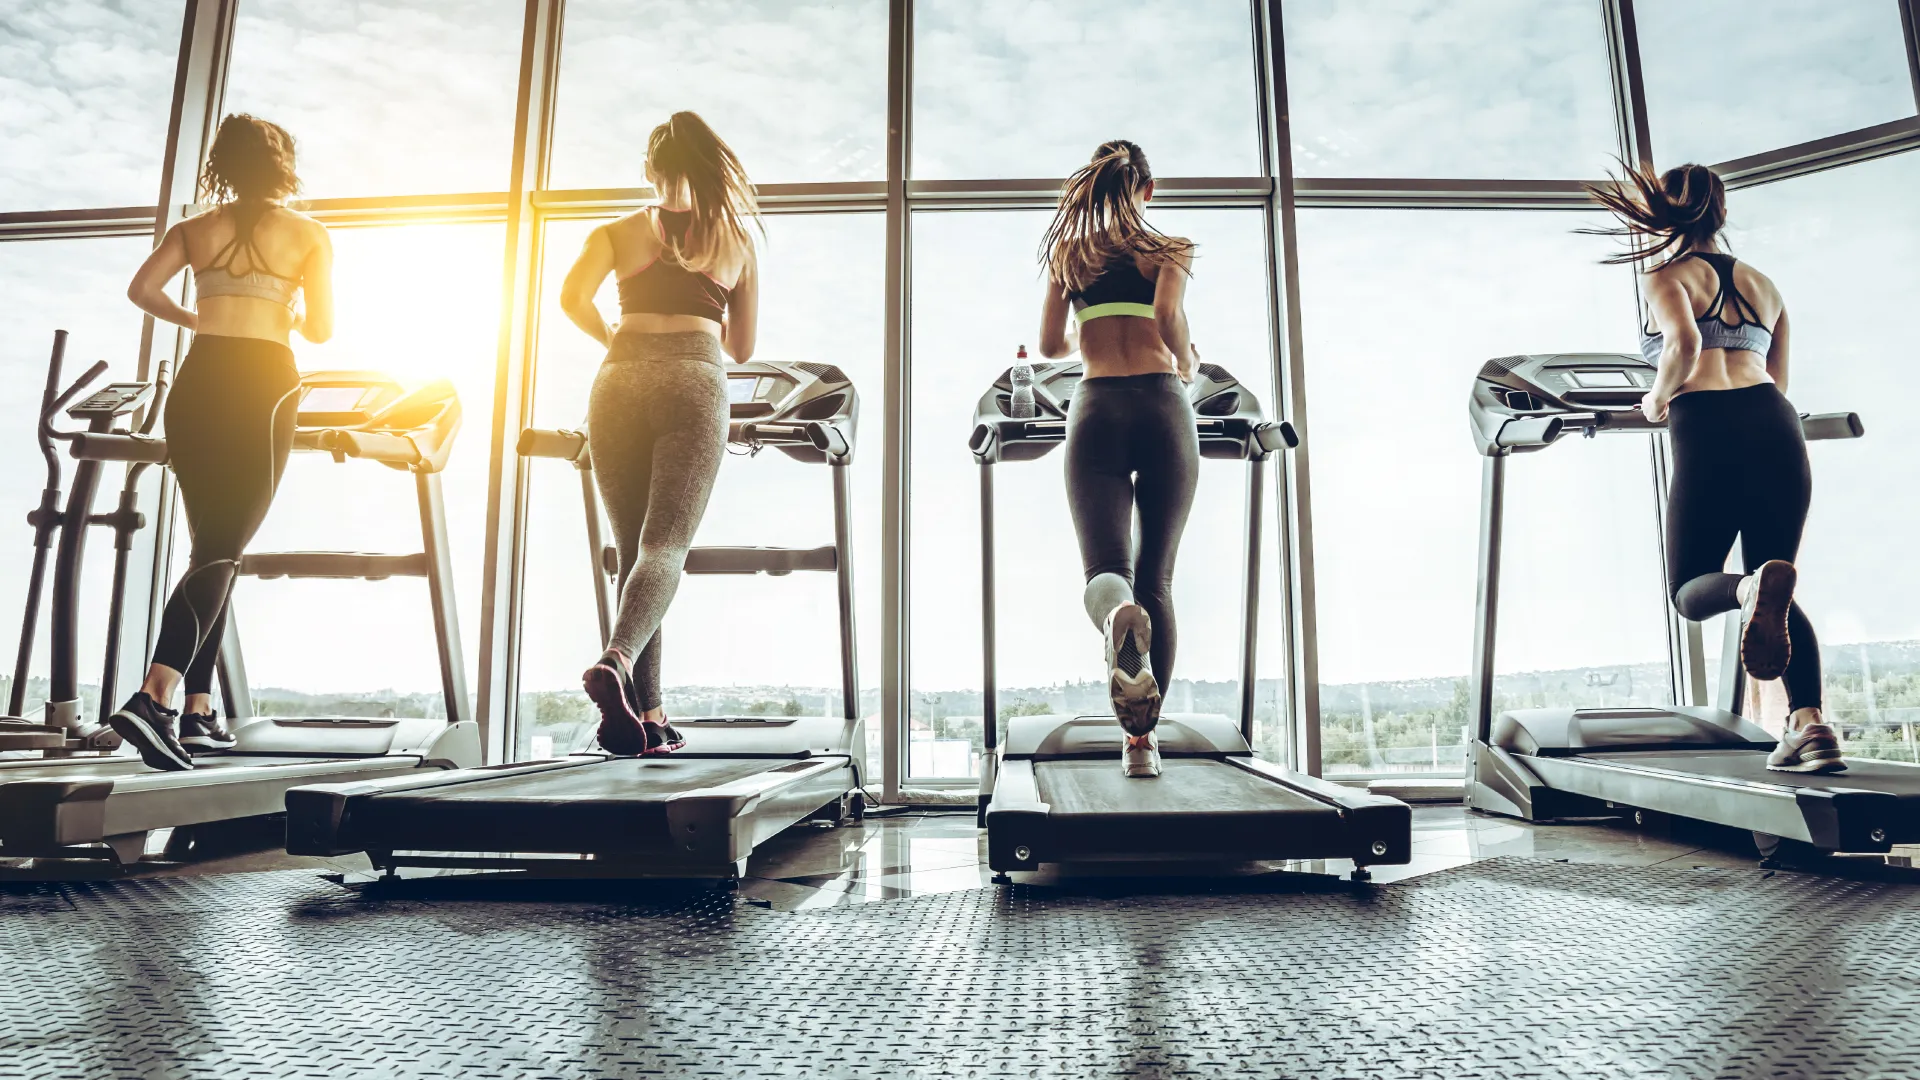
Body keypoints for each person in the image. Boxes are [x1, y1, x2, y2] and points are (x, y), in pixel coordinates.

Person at [1585, 162, 1840, 773]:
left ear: (1664, 212)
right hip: (1777, 425)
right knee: (1777, 575)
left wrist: (1655, 399)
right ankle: (1811, 726)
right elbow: (1779, 378)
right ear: (1720, 213)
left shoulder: (1665, 276)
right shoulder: (1764, 283)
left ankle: (1750, 589)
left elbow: (1684, 345)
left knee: (1692, 591)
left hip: (1708, 425)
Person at [114, 114, 334, 770]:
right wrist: (287, 308)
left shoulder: (193, 229)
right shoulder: (308, 234)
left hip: (198, 381)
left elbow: (141, 290)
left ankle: (198, 710)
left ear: (223, 164)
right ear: (282, 165)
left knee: (215, 550)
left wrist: (199, 315)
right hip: (263, 385)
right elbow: (320, 329)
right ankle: (154, 697)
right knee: (219, 552)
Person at [557, 111, 760, 756]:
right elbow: (744, 348)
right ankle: (615, 665)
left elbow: (571, 298)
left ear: (649, 170)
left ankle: (649, 718)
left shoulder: (617, 232)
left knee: (633, 552)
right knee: (664, 549)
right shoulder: (735, 242)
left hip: (617, 382)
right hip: (695, 380)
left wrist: (615, 335)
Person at [1035, 139, 1199, 779]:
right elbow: (1166, 314)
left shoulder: (1069, 255)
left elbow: (1051, 346)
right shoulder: (1170, 249)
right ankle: (1143, 746)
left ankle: (1116, 621)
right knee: (1157, 577)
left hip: (1096, 405)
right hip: (1162, 404)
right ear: (1147, 192)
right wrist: (1185, 360)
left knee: (1108, 569)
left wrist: (1089, 321)